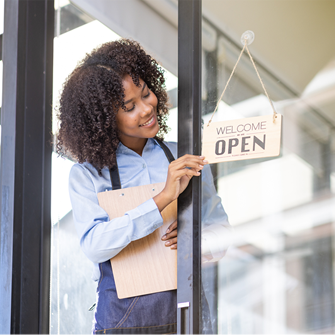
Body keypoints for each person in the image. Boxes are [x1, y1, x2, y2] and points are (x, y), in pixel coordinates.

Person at [57, 39, 229, 334]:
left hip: (190, 318)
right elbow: (96, 245)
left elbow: (222, 234)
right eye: (129, 106)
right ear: (104, 120)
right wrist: (161, 199)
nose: (147, 108)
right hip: (122, 323)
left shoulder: (185, 158)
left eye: (146, 94)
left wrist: (196, 239)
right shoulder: (87, 176)